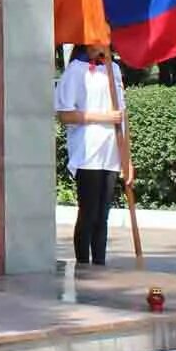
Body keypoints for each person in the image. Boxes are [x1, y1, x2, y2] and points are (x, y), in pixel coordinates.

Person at [54, 42, 131, 266]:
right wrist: (104, 117)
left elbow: (123, 116)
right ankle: (82, 265)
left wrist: (126, 158)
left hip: (111, 152)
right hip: (88, 152)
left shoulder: (113, 69)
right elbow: (65, 115)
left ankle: (99, 263)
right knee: (88, 212)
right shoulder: (76, 70)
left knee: (103, 216)